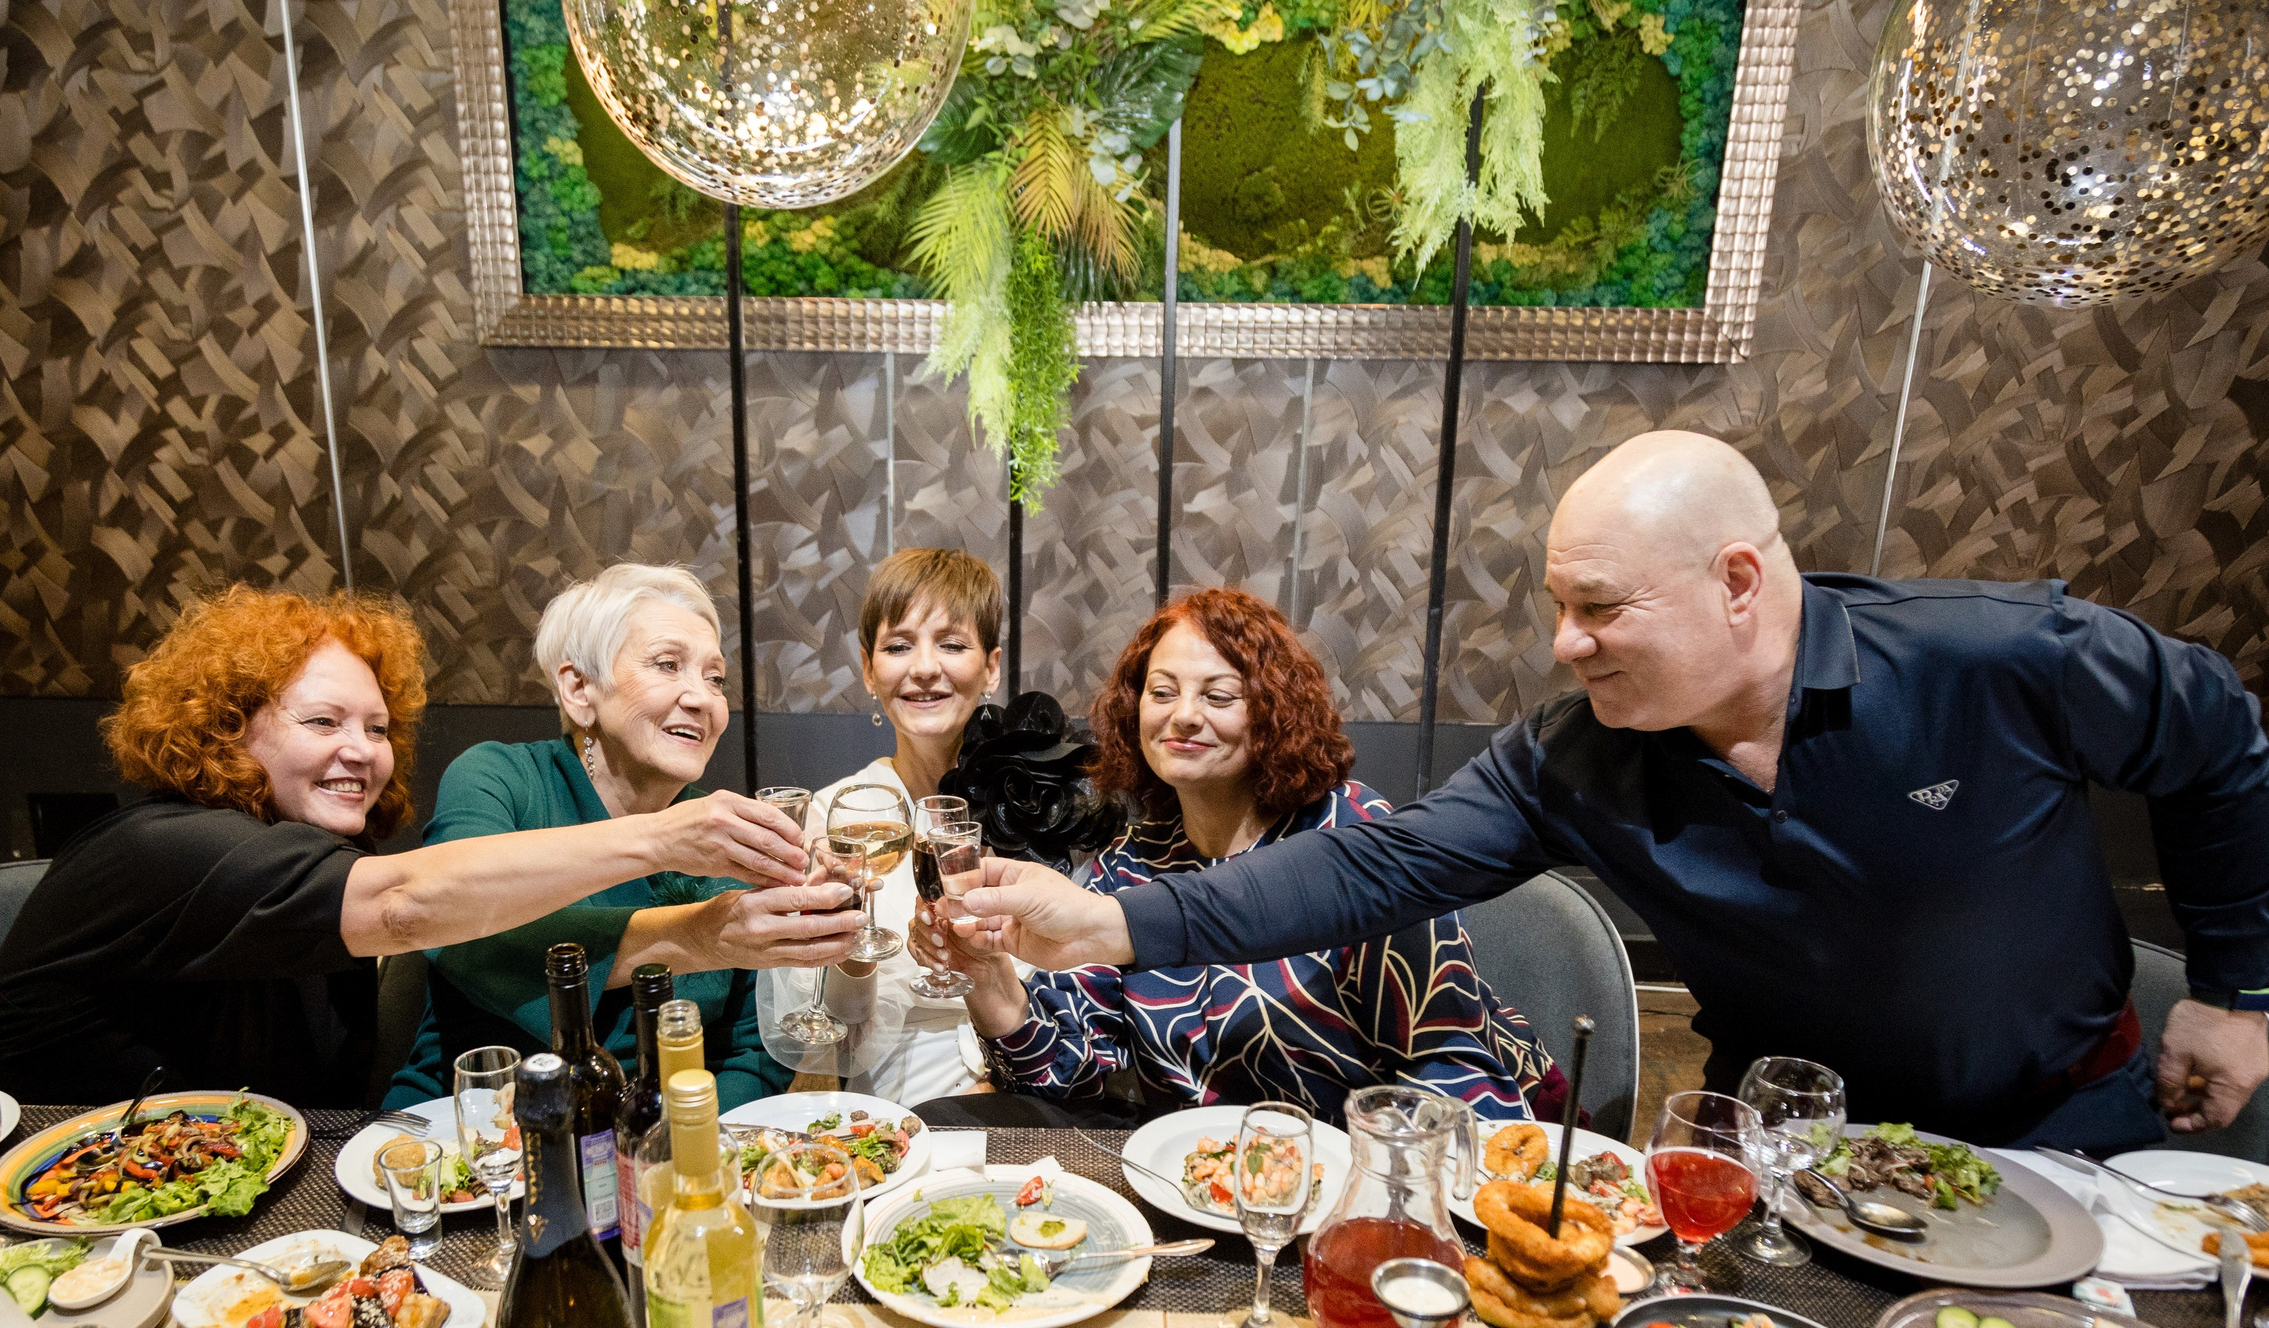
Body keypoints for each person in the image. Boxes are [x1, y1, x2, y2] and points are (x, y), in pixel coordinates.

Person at [950, 431, 2269, 1150]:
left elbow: (2224, 744)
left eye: (1598, 608)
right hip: (1784, 1143)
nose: (1565, 643)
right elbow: (1371, 867)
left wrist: (2238, 985)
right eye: (1555, 606)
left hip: (2065, 1124)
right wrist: (1111, 924)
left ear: (1738, 581)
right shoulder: (1570, 754)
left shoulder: (1999, 656)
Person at [0, 587, 807, 1107]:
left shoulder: (322, 864)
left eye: (377, 727)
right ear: (229, 724)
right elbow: (421, 913)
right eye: (322, 721)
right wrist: (672, 866)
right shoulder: (165, 851)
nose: (362, 751)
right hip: (40, 1189)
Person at [907, 587, 1560, 1129]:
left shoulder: (1352, 837)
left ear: (1274, 713)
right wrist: (988, 975)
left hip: (1373, 1181)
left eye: (1217, 696)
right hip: (1208, 1186)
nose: (1184, 716)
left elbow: (1447, 1064)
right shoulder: (1129, 866)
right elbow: (1071, 1075)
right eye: (1162, 693)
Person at [388, 563, 861, 1112]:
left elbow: (749, 1054)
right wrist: (701, 935)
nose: (703, 699)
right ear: (579, 688)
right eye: (668, 665)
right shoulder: (499, 779)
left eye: (714, 677)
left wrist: (683, 1149)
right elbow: (463, 925)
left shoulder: (723, 837)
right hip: (468, 1135)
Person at [799, 547, 1008, 1104]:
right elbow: (836, 1042)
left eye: (952, 644)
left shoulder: (1037, 804)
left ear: (991, 667)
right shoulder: (836, 817)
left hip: (1039, 1102)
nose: (923, 668)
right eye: (898, 646)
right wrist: (848, 940)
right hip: (901, 1115)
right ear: (869, 670)